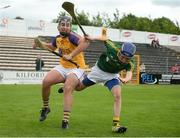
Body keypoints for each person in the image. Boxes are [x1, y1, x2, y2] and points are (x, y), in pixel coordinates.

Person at [61, 36, 136, 133]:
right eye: (122, 56)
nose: (123, 60)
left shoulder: (130, 63)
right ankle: (67, 86)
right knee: (79, 88)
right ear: (120, 51)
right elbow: (105, 38)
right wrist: (92, 38)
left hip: (112, 76)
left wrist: (126, 79)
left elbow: (129, 74)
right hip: (98, 72)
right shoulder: (113, 47)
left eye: (127, 59)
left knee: (117, 95)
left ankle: (115, 125)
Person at [33, 16, 89, 129]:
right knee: (46, 82)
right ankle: (45, 108)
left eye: (67, 25)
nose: (65, 27)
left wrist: (71, 55)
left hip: (77, 67)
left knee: (68, 88)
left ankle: (65, 120)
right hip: (63, 66)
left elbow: (85, 44)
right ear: (58, 26)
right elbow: (52, 47)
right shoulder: (57, 38)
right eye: (62, 24)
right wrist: (41, 44)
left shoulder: (73, 37)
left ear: (70, 27)